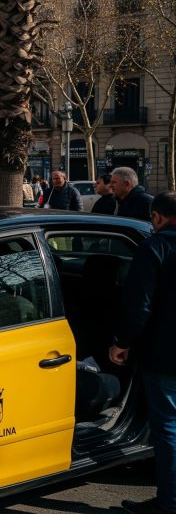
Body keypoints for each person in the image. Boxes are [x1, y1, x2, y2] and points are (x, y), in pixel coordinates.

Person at [109, 192, 176, 514]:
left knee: (168, 430)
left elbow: (139, 306)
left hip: (166, 355)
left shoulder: (156, 247)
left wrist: (122, 342)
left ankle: (169, 503)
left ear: (159, 217)